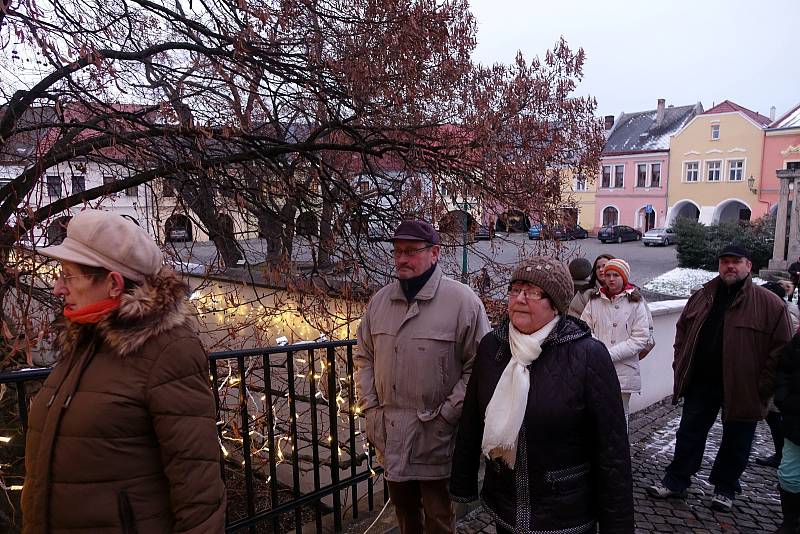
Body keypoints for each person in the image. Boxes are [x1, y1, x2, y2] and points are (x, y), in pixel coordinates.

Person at [22, 209, 226, 533]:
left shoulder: (168, 351)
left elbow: (198, 485)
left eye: (68, 275)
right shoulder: (87, 336)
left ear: (114, 284)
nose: (58, 287)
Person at [449, 257, 634, 534]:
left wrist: (616, 525)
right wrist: (463, 480)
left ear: (556, 303)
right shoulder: (493, 348)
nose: (520, 299)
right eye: (515, 290)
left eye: (533, 292)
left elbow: (611, 449)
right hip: (506, 507)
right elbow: (472, 421)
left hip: (566, 514)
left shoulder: (587, 355)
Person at [354, 220, 490, 534]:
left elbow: (479, 367)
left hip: (435, 434)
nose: (402, 258)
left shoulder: (462, 301)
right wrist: (371, 409)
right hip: (390, 432)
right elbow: (364, 358)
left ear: (435, 253)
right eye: (398, 251)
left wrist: (446, 415)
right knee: (404, 514)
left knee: (439, 515)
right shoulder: (380, 301)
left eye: (411, 251)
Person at [647, 244, 792, 512]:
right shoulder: (703, 296)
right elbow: (682, 331)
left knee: (737, 440)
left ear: (749, 266)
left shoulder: (769, 304)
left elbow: (782, 348)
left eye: (736, 261)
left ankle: (725, 488)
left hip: (744, 385)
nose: (730, 266)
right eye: (725, 261)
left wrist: (764, 384)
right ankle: (676, 481)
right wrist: (680, 362)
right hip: (702, 380)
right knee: (689, 433)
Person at [580, 258, 649, 425]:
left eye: (616, 275)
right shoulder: (594, 300)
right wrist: (598, 352)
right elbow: (584, 328)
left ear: (623, 277)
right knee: (594, 414)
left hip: (624, 369)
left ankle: (619, 450)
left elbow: (640, 338)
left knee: (619, 415)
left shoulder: (636, 302)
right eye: (608, 275)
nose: (611, 279)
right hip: (596, 368)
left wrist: (608, 354)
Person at [774, 329, 800, 533]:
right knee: (788, 475)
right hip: (796, 418)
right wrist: (784, 399)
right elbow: (785, 368)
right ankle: (790, 522)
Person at [568, 253, 614, 319]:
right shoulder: (585, 293)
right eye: (598, 267)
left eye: (604, 266)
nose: (601, 270)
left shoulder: (627, 292)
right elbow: (574, 316)